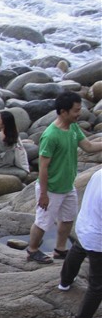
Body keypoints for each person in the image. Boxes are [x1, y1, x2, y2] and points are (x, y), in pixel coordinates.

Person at [27, 92, 102, 264]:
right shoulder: (50, 135)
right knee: (42, 222)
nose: (79, 114)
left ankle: (60, 249)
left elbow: (88, 146)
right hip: (52, 188)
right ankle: (32, 250)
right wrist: (44, 194)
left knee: (68, 219)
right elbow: (43, 167)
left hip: (68, 185)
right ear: (63, 111)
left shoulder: (73, 127)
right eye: (76, 110)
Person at [59, 168, 102, 318]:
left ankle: (65, 281)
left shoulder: (99, 173)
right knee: (97, 284)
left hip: (85, 224)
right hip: (97, 236)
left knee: (77, 249)